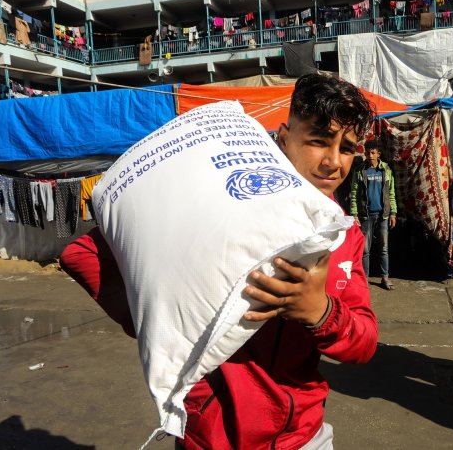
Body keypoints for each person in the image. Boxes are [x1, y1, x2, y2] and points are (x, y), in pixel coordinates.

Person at [59, 73, 378, 449]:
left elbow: (364, 343)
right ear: (283, 137)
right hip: (212, 436)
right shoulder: (220, 206)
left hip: (302, 435)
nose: (332, 163)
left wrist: (320, 312)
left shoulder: (344, 236)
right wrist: (165, 320)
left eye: (347, 149)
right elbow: (82, 255)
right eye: (318, 141)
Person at [349, 140, 397, 290]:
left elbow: (391, 193)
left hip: (383, 215)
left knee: (383, 248)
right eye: (367, 152)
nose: (370, 155)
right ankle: (364, 280)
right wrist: (354, 215)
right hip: (365, 216)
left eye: (373, 152)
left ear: (378, 154)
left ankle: (385, 278)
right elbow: (354, 194)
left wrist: (393, 213)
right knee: (365, 250)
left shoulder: (386, 170)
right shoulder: (360, 171)